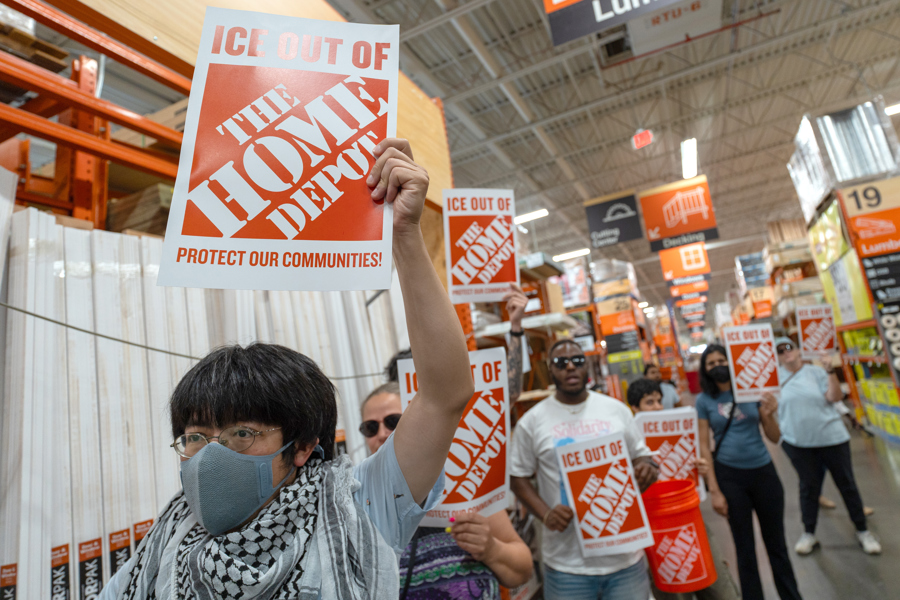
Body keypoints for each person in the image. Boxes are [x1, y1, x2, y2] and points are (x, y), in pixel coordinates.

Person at [98, 138, 476, 599]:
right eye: (195, 438)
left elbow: (443, 396)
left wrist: (406, 235)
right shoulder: (167, 540)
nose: (210, 457)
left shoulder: (356, 510)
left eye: (241, 434)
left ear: (302, 446)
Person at [365, 283, 533, 599]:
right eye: (371, 427)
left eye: (393, 422)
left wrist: (490, 548)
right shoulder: (364, 496)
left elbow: (505, 395)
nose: (384, 433)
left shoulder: (464, 481)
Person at [510, 339, 659, 600]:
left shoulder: (616, 410)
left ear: (586, 365)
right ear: (550, 369)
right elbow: (517, 476)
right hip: (567, 567)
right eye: (560, 362)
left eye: (577, 360)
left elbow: (642, 456)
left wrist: (646, 467)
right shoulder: (532, 422)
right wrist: (545, 514)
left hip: (625, 559)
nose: (570, 367)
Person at [696, 344, 803, 600]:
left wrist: (768, 415)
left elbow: (774, 437)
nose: (717, 366)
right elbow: (704, 446)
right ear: (705, 369)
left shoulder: (752, 391)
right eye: (711, 363)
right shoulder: (703, 401)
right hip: (729, 477)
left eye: (722, 360)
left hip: (764, 473)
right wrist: (714, 490)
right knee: (744, 550)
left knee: (777, 545)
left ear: (732, 362)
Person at [626, 378, 741, 600]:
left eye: (659, 401)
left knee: (719, 587)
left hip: (689, 519)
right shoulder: (630, 444)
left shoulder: (677, 433)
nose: (657, 407)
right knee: (676, 592)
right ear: (634, 408)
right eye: (649, 402)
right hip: (656, 529)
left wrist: (700, 470)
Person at [773, 336, 881, 555]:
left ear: (799, 350)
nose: (786, 353)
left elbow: (835, 397)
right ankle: (809, 533)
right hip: (799, 444)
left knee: (847, 484)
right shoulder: (773, 380)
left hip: (832, 439)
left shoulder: (817, 372)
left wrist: (830, 370)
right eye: (780, 350)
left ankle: (863, 530)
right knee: (808, 488)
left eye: (789, 348)